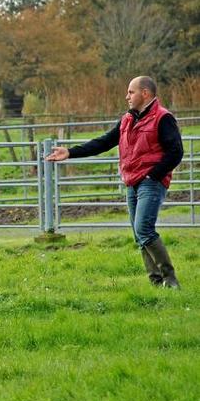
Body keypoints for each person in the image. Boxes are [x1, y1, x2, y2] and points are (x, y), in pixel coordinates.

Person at [46, 76, 183, 288]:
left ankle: (170, 279)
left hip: (150, 182)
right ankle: (156, 282)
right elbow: (104, 142)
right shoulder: (127, 119)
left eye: (131, 92)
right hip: (131, 182)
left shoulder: (163, 118)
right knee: (140, 234)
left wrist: (153, 175)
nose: (127, 96)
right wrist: (70, 152)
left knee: (144, 229)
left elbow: (176, 152)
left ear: (145, 93)